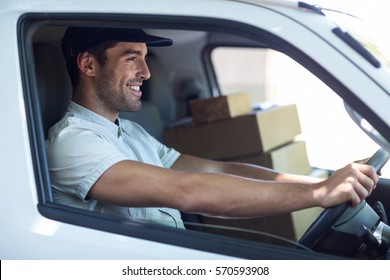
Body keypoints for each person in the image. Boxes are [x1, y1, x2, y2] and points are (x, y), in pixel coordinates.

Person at [46, 27, 379, 229]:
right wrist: (317, 195)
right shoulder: (72, 142)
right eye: (132, 58)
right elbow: (187, 191)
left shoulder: (130, 132)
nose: (147, 73)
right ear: (88, 64)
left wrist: (320, 182)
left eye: (146, 58)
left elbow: (215, 169)